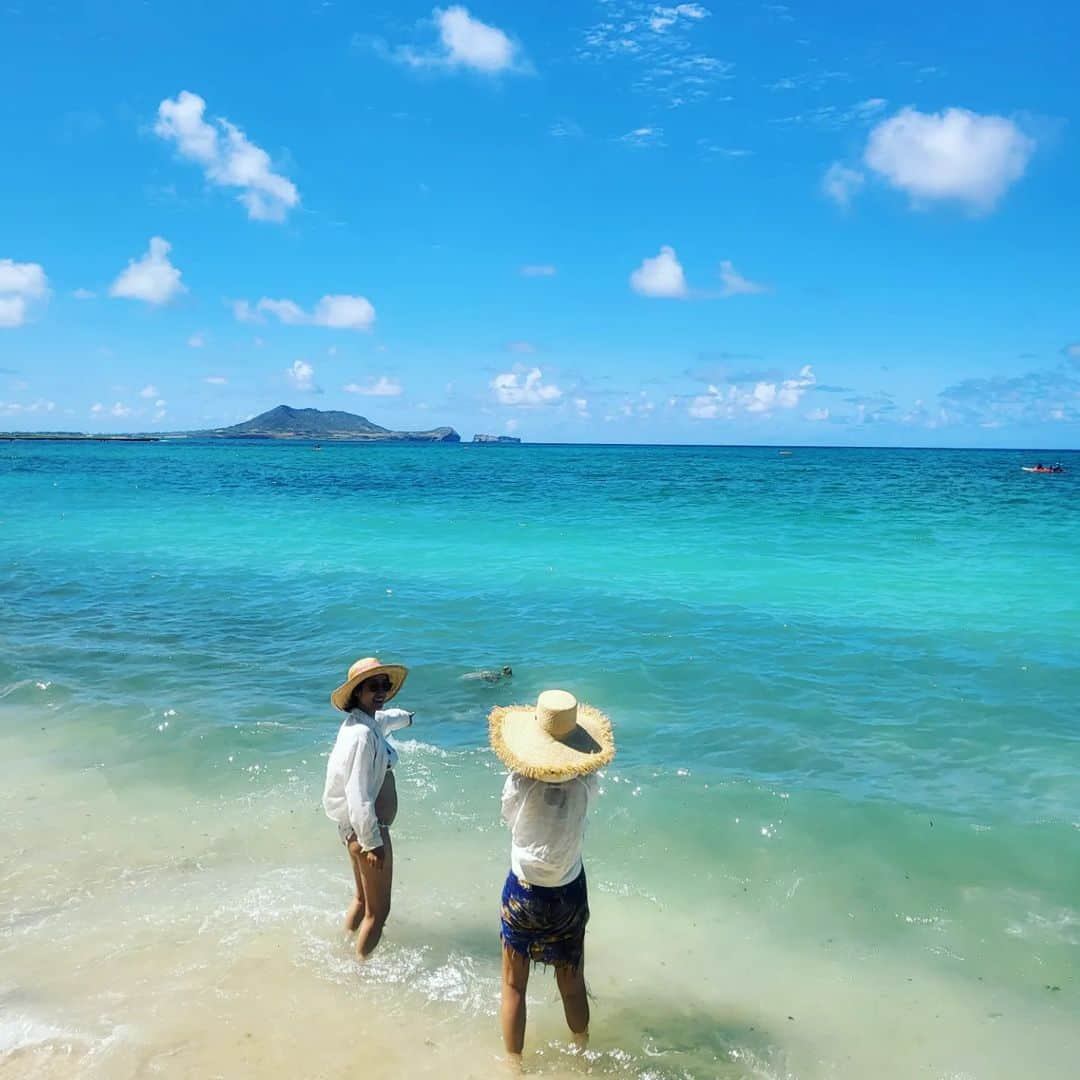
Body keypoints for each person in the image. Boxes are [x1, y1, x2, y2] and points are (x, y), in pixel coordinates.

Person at [489, 689, 615, 1069]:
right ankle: (582, 1051)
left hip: (523, 889)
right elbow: (586, 798)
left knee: (514, 986)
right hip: (568, 891)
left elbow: (509, 817)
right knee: (572, 981)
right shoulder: (584, 785)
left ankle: (515, 1068)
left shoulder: (518, 782)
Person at [323, 656, 413, 958]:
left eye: (385, 686)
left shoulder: (360, 724)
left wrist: (409, 717)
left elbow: (386, 721)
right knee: (379, 913)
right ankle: (358, 972)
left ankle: (342, 951)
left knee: (362, 902)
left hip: (352, 829)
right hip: (369, 830)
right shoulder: (362, 738)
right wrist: (373, 843)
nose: (381, 692)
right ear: (357, 692)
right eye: (372, 686)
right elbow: (358, 793)